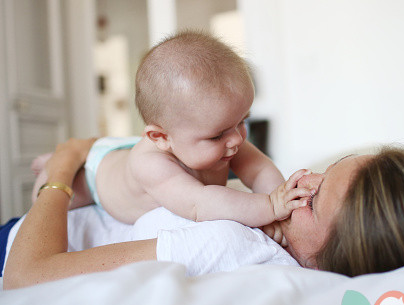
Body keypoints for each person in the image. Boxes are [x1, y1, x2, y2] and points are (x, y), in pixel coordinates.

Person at [3, 138, 404, 289]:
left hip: (17, 241)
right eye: (321, 171)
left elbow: (27, 275)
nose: (301, 178)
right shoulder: (268, 224)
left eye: (314, 196)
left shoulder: (229, 243)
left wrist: (63, 166)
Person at [31, 31, 309, 227]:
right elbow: (201, 204)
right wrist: (269, 207)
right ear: (161, 138)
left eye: (242, 121)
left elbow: (260, 170)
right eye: (217, 135)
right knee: (48, 194)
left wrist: (281, 202)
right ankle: (47, 163)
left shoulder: (223, 136)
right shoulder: (151, 164)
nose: (236, 138)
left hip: (128, 146)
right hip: (97, 175)